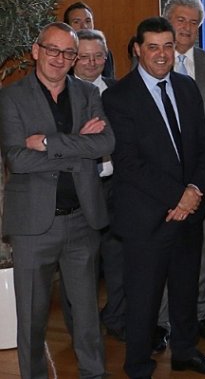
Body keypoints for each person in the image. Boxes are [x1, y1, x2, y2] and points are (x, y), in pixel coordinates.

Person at [103, 16, 205, 378]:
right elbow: (128, 162)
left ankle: (185, 353)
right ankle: (138, 365)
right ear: (138, 50)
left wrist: (194, 192)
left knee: (186, 293)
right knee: (143, 301)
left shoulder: (187, 88)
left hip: (188, 215)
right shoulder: (118, 97)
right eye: (153, 47)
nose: (161, 54)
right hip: (147, 219)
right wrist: (180, 197)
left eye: (168, 46)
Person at [0, 23, 112, 379]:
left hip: (82, 219)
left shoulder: (87, 94)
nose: (59, 59)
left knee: (86, 313)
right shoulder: (11, 97)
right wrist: (78, 144)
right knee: (32, 318)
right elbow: (17, 159)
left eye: (67, 53)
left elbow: (105, 144)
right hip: (33, 225)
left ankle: (93, 373)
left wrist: (48, 143)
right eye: (52, 49)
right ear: (36, 50)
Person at [163, 0, 205, 342]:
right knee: (162, 249)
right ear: (168, 21)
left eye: (193, 22)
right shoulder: (151, 59)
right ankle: (162, 322)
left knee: (202, 249)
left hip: (203, 176)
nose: (187, 28)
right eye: (180, 20)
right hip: (160, 176)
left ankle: (200, 315)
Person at [72, 29, 124, 340]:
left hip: (117, 187)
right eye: (84, 56)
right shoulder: (60, 96)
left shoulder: (119, 92)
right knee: (83, 265)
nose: (92, 63)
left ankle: (116, 320)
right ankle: (84, 328)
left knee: (118, 260)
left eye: (98, 56)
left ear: (106, 58)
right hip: (80, 189)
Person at [63, 1, 115, 79]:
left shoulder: (104, 52)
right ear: (68, 27)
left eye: (88, 21)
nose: (84, 26)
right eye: (76, 22)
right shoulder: (62, 54)